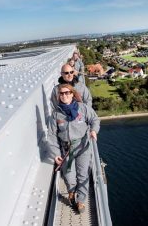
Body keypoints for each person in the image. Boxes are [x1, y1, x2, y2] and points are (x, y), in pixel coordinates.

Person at [47, 84, 100, 213]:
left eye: (67, 93)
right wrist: (55, 154)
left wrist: (93, 130)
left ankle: (81, 200)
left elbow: (94, 119)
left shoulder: (83, 108)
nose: (64, 95)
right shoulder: (56, 114)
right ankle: (71, 191)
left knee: (82, 175)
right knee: (69, 176)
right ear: (58, 96)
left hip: (83, 147)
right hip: (66, 150)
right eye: (61, 93)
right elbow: (52, 135)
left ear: (72, 94)